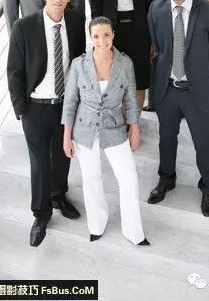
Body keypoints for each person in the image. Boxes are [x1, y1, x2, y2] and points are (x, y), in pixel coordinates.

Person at [7, 0, 86, 247]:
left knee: (63, 156)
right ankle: (41, 215)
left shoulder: (76, 21)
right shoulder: (24, 27)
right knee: (40, 163)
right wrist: (21, 109)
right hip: (35, 107)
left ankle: (58, 195)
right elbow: (14, 71)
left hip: (64, 105)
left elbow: (78, 62)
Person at [147, 0, 209, 216]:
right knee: (166, 139)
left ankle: (208, 184)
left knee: (202, 142)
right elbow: (158, 48)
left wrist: (201, 77)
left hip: (196, 91)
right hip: (167, 89)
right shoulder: (156, 9)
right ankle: (166, 178)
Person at [61, 16, 149, 246]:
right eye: (96, 36)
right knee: (91, 178)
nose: (102, 41)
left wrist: (135, 128)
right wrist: (66, 136)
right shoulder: (79, 65)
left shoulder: (125, 63)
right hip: (84, 129)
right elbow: (70, 102)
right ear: (91, 37)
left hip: (115, 127)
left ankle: (133, 232)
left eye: (106, 35)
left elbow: (130, 99)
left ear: (113, 35)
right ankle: (96, 225)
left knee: (128, 177)